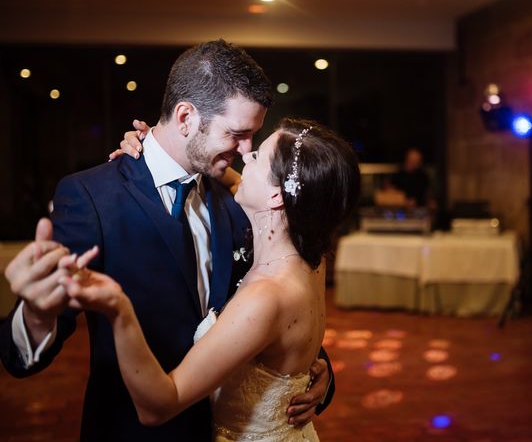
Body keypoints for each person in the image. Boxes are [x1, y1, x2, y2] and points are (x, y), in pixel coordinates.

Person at [0, 40, 333, 441]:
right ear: (186, 117)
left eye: (254, 137)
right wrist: (37, 314)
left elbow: (271, 308)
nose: (247, 151)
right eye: (237, 134)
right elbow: (18, 359)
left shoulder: (241, 204)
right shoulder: (93, 197)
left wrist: (310, 369)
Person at [57, 118, 361, 441]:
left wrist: (118, 310)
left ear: (277, 197)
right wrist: (158, 148)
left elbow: (159, 405)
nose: (246, 156)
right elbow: (288, 340)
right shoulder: (309, 259)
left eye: (257, 156)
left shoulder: (267, 295)